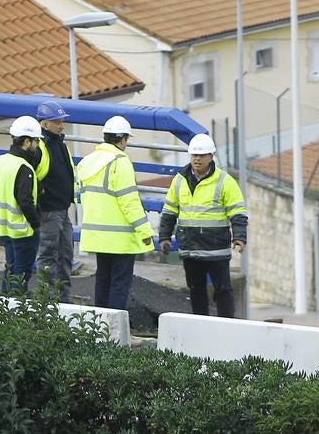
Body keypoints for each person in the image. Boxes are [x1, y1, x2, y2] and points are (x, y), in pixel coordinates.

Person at [159, 133, 248, 317]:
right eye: (194, 155)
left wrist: (239, 237)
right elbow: (169, 211)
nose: (197, 159)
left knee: (222, 290)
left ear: (211, 157)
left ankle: (226, 326)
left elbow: (238, 212)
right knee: (196, 290)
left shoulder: (225, 181)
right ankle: (200, 326)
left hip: (216, 250)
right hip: (190, 248)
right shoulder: (179, 180)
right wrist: (164, 237)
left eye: (201, 155)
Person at [76, 115, 154, 311]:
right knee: (119, 285)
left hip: (97, 235)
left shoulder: (87, 162)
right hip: (120, 239)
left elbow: (82, 197)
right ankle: (114, 334)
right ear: (123, 139)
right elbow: (130, 202)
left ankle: (99, 327)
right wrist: (145, 232)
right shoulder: (120, 162)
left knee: (102, 280)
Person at [0, 115, 43, 293]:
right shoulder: (24, 168)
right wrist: (36, 224)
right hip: (23, 231)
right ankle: (17, 313)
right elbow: (25, 202)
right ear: (27, 142)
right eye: (35, 142)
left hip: (5, 229)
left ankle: (5, 310)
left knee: (10, 270)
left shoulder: (2, 161)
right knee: (21, 274)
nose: (37, 146)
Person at [33, 99, 76, 300]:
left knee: (66, 255)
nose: (61, 125)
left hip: (62, 208)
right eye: (57, 121)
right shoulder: (40, 147)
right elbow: (29, 176)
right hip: (49, 211)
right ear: (44, 124)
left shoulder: (59, 144)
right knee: (48, 256)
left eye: (61, 121)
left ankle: (63, 299)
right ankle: (47, 302)